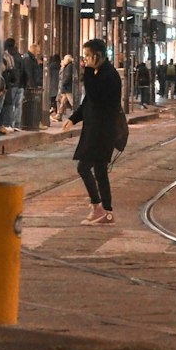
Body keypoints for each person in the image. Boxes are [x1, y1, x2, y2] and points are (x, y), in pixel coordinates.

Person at [64, 38, 122, 225]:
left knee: (84, 167)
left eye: (88, 56)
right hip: (96, 130)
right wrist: (73, 119)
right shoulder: (99, 73)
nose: (85, 60)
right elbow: (87, 103)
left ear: (98, 55)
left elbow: (95, 97)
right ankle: (106, 210)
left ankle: (98, 206)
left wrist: (88, 72)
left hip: (102, 131)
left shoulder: (108, 75)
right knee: (99, 170)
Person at [55, 54, 75, 122]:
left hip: (67, 88)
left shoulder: (69, 67)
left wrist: (64, 83)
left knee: (72, 102)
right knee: (63, 102)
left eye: (65, 59)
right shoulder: (67, 66)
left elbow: (68, 76)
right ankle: (59, 115)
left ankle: (80, 114)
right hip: (66, 87)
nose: (63, 60)